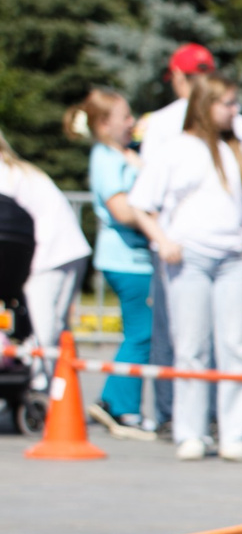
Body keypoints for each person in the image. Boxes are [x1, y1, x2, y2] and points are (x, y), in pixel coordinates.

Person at [128, 77, 242, 461]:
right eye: (227, 104)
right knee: (191, 346)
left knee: (237, 345)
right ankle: (191, 430)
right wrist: (163, 241)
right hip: (190, 259)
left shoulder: (237, 151)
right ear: (206, 105)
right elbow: (141, 203)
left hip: (234, 259)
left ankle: (236, 430)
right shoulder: (176, 150)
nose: (234, 112)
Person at [63, 89, 157, 436]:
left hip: (136, 257)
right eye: (125, 116)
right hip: (127, 259)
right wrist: (156, 217)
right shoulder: (105, 158)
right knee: (141, 332)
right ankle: (121, 407)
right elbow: (120, 209)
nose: (131, 122)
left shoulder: (123, 153)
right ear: (104, 123)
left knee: (140, 331)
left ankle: (113, 401)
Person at [0, 128, 91, 386]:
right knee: (57, 328)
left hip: (48, 252)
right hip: (68, 247)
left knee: (44, 328)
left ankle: (44, 385)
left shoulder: (7, 174)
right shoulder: (20, 170)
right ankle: (60, 386)